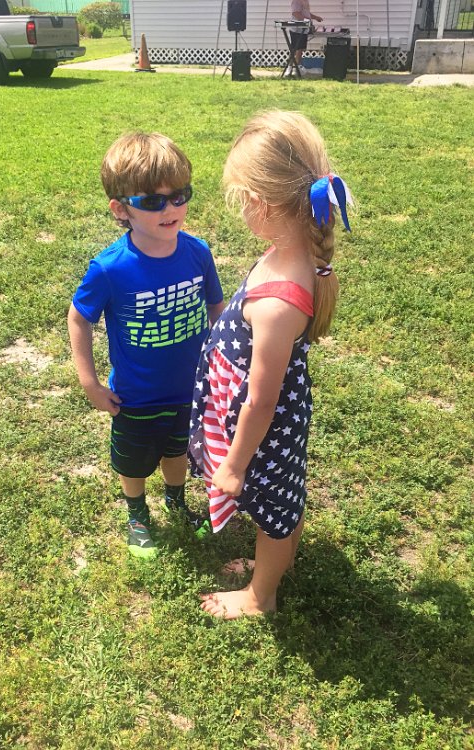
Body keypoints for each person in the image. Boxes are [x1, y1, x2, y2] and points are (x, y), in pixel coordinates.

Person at [189, 110, 353, 618]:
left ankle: (262, 596)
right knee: (282, 499)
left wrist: (234, 464)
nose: (241, 210)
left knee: (274, 512)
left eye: (241, 200)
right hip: (274, 418)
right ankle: (272, 566)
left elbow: (261, 400)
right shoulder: (290, 254)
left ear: (261, 203)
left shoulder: (279, 301)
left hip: (263, 428)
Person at [68, 132, 225, 559]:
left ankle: (176, 501)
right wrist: (90, 383)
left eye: (179, 196)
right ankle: (137, 514)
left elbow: (216, 306)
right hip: (134, 396)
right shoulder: (110, 268)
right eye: (153, 201)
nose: (170, 209)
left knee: (177, 451)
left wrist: (222, 361)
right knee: (133, 461)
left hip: (190, 387)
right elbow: (79, 318)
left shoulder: (198, 253)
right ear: (121, 209)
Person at [289, 0, 323, 74]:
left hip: (304, 29)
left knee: (300, 49)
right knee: (294, 49)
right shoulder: (296, 1)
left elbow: (307, 14)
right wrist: (307, 21)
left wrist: (316, 17)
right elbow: (295, 13)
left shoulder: (306, 1)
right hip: (296, 29)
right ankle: (289, 68)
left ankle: (296, 68)